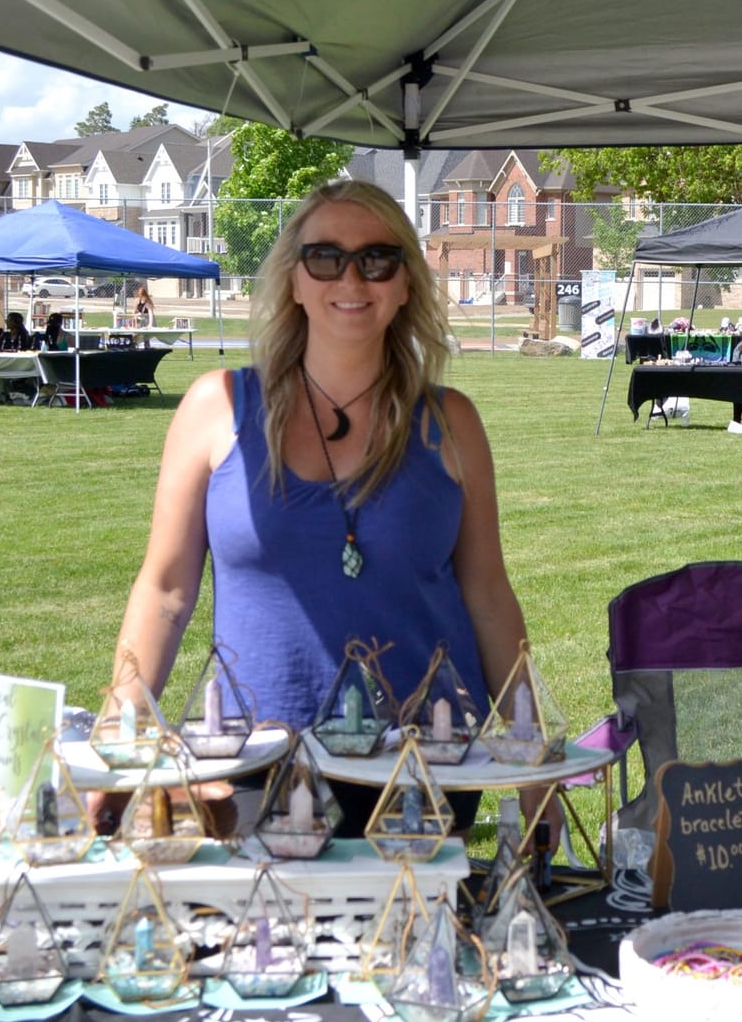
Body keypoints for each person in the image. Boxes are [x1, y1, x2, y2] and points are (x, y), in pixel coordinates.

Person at [107, 180, 526, 836]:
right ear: (293, 281)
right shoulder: (215, 408)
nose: (351, 278)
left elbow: (489, 596)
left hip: (425, 765)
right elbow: (164, 591)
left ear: (406, 282)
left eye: (377, 258)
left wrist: (530, 763)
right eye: (324, 257)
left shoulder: (450, 424)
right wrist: (119, 734)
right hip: (256, 759)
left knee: (414, 937)